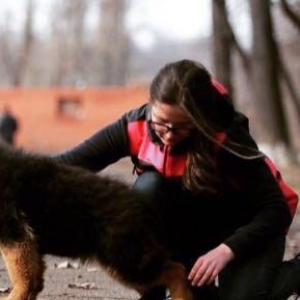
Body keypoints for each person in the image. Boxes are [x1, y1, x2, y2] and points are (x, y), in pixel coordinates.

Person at [55, 59, 300, 300]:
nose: (169, 135)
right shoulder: (135, 125)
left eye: (182, 127)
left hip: (248, 227)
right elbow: (65, 165)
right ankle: (154, 291)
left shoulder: (227, 139)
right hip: (197, 225)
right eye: (161, 123)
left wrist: (227, 250)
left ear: (200, 120)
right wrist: (18, 174)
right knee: (148, 188)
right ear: (151, 105)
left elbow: (275, 209)